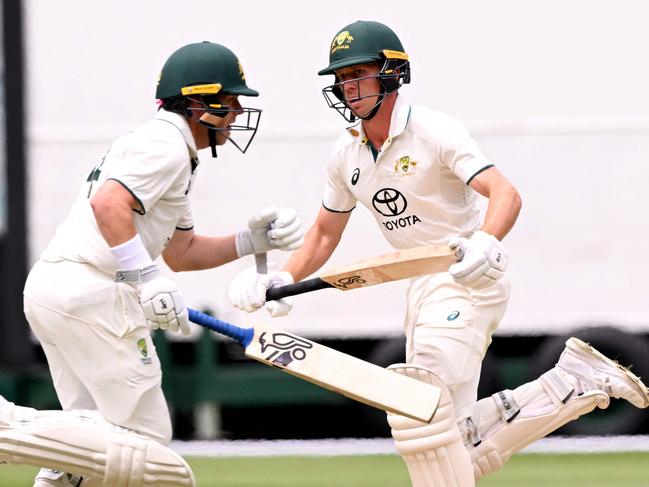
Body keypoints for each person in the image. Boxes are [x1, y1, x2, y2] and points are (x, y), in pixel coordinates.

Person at [228, 20, 649, 486]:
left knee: (417, 401)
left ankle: (573, 383)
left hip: (466, 277)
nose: (348, 87)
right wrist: (280, 278)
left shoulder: (434, 131)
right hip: (419, 285)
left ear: (391, 74)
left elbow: (504, 193)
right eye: (342, 79)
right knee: (454, 442)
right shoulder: (344, 153)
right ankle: (573, 383)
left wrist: (485, 243)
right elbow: (325, 234)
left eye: (359, 74)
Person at [20, 41, 304, 487]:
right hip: (92, 293)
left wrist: (251, 242)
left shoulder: (171, 151)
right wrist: (145, 278)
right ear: (197, 104)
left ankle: (58, 458)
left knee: (93, 442)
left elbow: (182, 252)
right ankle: (17, 430)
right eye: (229, 104)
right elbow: (108, 205)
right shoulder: (166, 147)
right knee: (146, 442)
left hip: (57, 289)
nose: (235, 115)